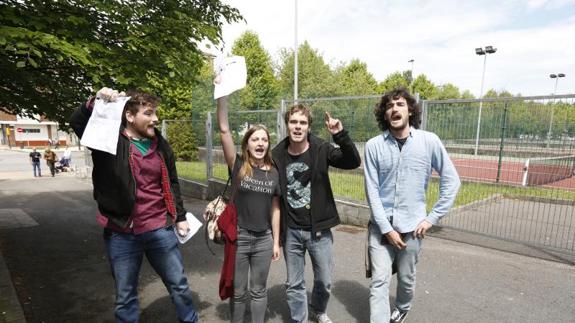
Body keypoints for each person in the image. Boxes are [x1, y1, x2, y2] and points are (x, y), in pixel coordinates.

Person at [69, 87, 199, 323]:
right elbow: (77, 122)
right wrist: (94, 101)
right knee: (125, 296)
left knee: (179, 285)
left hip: (159, 228)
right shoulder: (107, 139)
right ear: (130, 116)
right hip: (121, 232)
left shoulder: (160, 144)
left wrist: (179, 216)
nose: (155, 119)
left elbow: (172, 182)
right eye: (148, 113)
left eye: (155, 113)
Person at [364, 88, 461, 323]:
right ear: (384, 114)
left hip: (413, 229)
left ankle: (403, 307)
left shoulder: (429, 141)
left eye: (400, 104)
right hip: (381, 228)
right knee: (379, 280)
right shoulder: (373, 146)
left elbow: (452, 180)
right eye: (389, 106)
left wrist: (431, 218)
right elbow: (372, 191)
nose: (394, 108)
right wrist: (386, 229)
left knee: (406, 278)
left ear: (410, 110)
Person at [271, 104, 361, 323]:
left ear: (309, 126)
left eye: (303, 122)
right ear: (287, 124)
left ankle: (318, 310)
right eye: (294, 122)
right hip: (291, 230)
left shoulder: (321, 148)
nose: (298, 127)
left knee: (324, 281)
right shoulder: (276, 154)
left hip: (318, 230)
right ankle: (299, 318)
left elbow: (353, 161)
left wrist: (340, 134)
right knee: (294, 283)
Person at [216, 95, 281, 323]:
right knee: (239, 290)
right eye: (255, 139)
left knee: (259, 290)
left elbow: (275, 209)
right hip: (240, 238)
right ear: (247, 143)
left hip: (263, 239)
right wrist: (221, 96)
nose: (260, 143)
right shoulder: (238, 165)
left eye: (264, 139)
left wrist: (275, 242)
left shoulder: (273, 172)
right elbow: (224, 130)